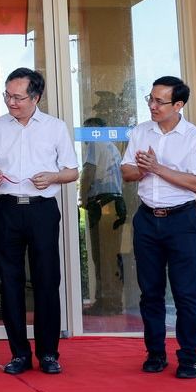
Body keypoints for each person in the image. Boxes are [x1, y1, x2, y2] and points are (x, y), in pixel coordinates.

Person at [0, 67, 78, 375]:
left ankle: (48, 354)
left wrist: (53, 177)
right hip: (7, 209)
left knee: (47, 280)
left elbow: (72, 171)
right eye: (7, 96)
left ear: (36, 97)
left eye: (18, 97)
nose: (11, 102)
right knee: (10, 282)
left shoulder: (55, 127)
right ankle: (19, 353)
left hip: (42, 210)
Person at [120, 76, 196, 379]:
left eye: (160, 101)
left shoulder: (195, 138)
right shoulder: (140, 132)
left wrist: (157, 168)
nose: (152, 106)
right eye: (150, 99)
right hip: (147, 218)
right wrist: (142, 169)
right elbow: (127, 171)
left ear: (178, 104)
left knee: (185, 293)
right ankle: (155, 353)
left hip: (181, 220)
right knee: (150, 292)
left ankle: (189, 357)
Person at [80, 117, 126, 316]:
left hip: (103, 203)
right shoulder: (113, 148)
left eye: (86, 131)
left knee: (102, 256)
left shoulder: (95, 143)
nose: (85, 137)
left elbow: (88, 172)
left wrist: (82, 197)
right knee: (111, 255)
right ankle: (110, 301)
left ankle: (107, 303)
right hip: (115, 202)